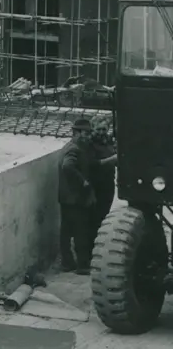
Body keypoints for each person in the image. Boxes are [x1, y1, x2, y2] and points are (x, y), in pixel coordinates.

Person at [58, 117, 96, 275]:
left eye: (88, 133)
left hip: (66, 198)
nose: (87, 136)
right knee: (81, 231)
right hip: (75, 199)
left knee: (66, 231)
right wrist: (83, 182)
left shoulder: (69, 146)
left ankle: (67, 263)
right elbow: (67, 166)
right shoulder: (75, 149)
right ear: (76, 133)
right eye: (85, 133)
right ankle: (82, 265)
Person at [89, 117, 118, 243]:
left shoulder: (108, 141)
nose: (101, 132)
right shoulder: (89, 144)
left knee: (104, 213)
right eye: (98, 129)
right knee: (94, 217)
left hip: (108, 183)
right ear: (92, 129)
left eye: (104, 129)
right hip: (95, 185)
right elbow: (92, 164)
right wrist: (113, 159)